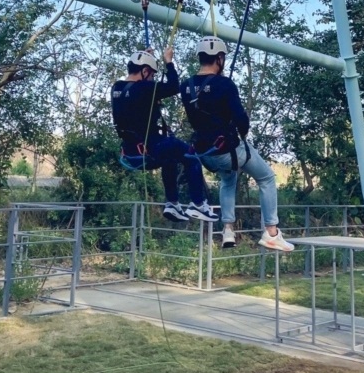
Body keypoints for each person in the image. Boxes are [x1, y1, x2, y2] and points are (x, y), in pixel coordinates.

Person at [179, 36, 294, 252]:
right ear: (220, 58)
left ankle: (228, 229)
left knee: (228, 179)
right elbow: (241, 119)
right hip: (227, 149)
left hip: (204, 153)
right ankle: (271, 232)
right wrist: (241, 133)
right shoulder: (225, 84)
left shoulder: (186, 86)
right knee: (267, 177)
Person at [111, 46, 218, 223]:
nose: (152, 78)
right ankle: (199, 204)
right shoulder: (145, 88)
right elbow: (174, 86)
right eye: (151, 74)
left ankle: (172, 204)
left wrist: (147, 59)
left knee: (171, 158)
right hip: (150, 149)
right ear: (144, 71)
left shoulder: (117, 87)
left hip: (130, 151)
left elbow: (136, 103)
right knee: (191, 157)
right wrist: (168, 62)